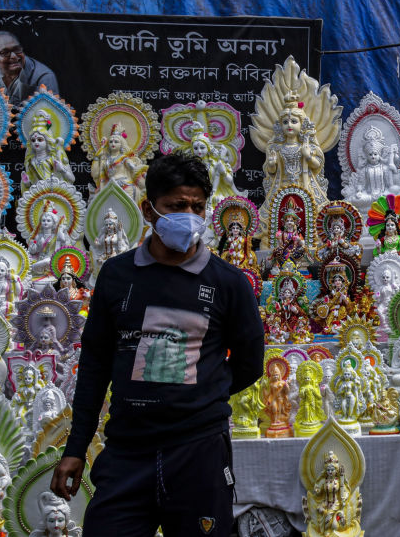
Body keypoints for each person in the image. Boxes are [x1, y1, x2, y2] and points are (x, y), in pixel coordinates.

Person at [50, 153, 264, 537]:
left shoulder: (229, 283)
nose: (189, 215)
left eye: (197, 207)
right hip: (128, 451)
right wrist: (75, 448)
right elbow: (95, 366)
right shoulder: (117, 277)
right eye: (177, 206)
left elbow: (250, 363)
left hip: (199, 453)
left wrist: (203, 392)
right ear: (149, 210)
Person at [0, 31, 59, 105]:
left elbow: (50, 112)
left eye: (17, 49)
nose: (14, 56)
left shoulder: (44, 77)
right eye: (5, 52)